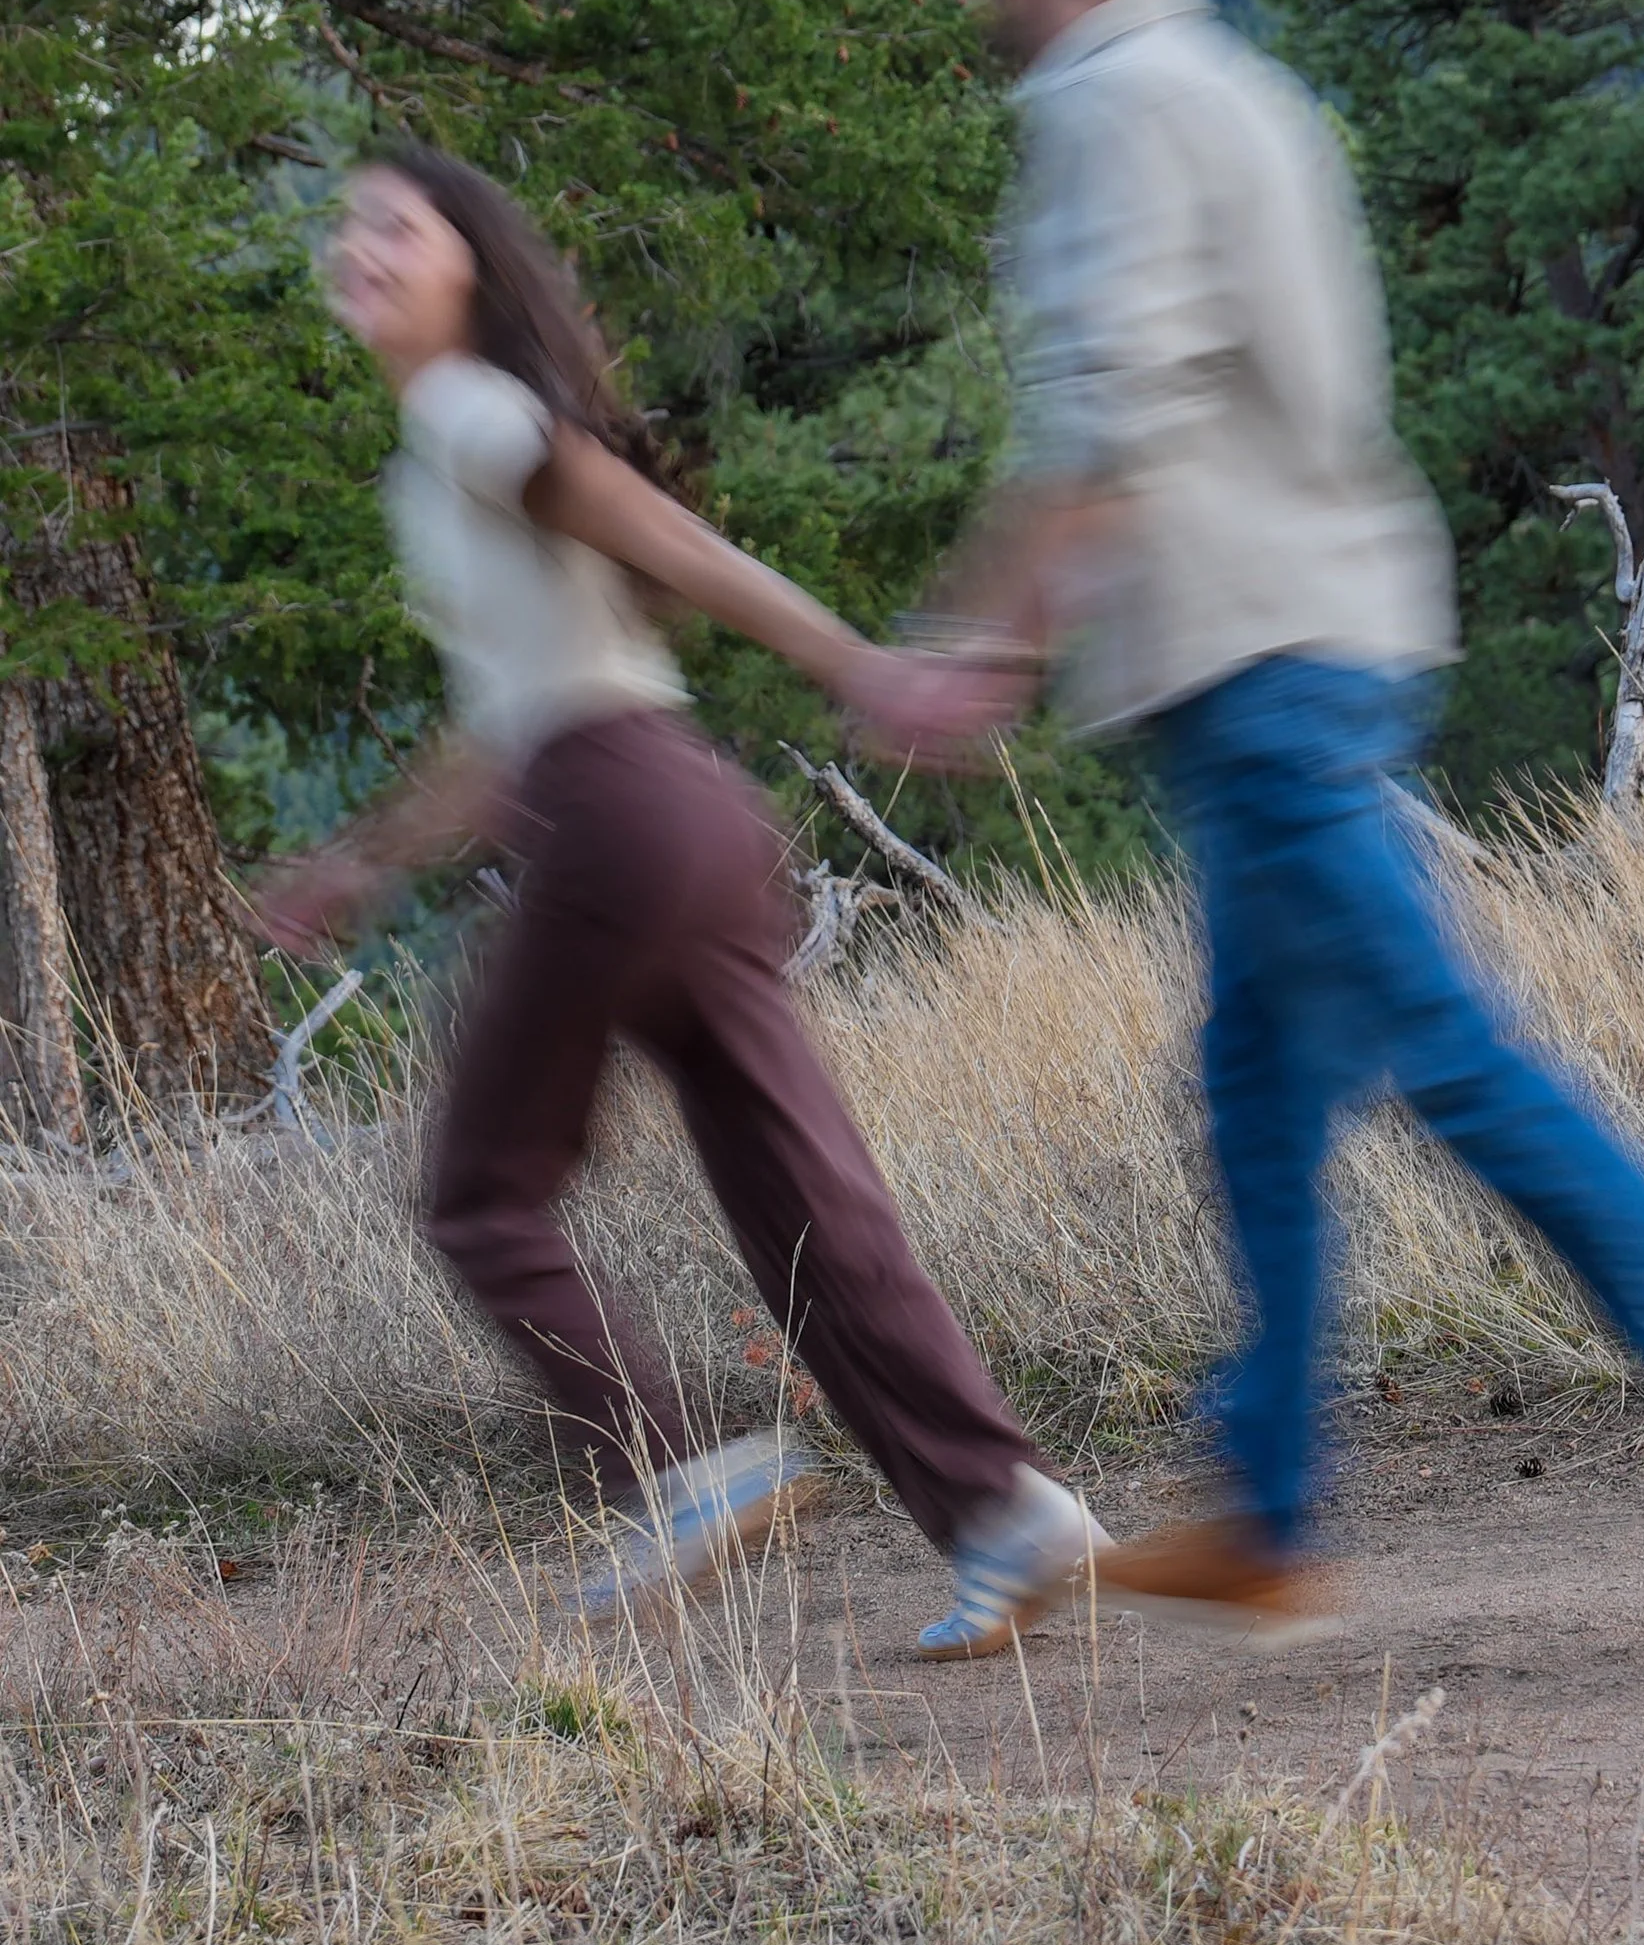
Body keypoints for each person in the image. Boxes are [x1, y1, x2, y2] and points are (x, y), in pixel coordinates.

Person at [855, 0, 1644, 1645]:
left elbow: (1108, 409)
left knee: (1454, 1062)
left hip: (1257, 664)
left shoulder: (1111, 104)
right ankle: (1266, 1507)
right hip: (1312, 636)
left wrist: (978, 644)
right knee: (1260, 1093)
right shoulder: (1234, 85)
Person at [256, 144, 1099, 1657]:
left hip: (619, 822)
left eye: (398, 226)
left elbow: (673, 543)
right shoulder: (443, 445)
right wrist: (365, 861)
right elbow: (503, 723)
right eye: (350, 223)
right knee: (806, 1205)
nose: (359, 247)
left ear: (470, 267)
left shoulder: (469, 414)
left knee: (481, 1192)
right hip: (688, 812)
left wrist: (860, 666)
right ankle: (1009, 1513)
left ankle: (676, 1470)